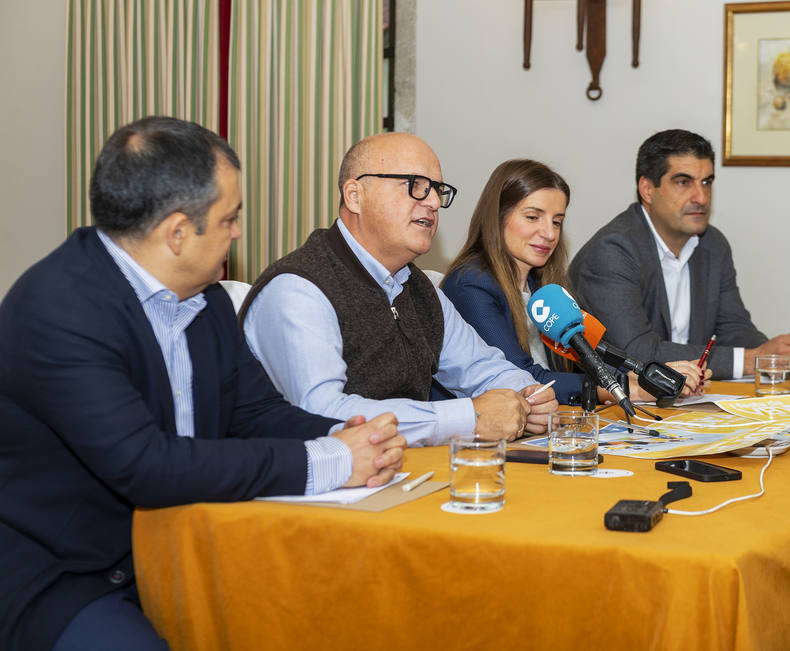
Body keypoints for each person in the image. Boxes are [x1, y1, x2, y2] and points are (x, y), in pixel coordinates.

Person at [0, 116, 405, 651]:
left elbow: (256, 412)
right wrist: (330, 460)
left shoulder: (203, 295)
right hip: (72, 573)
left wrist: (351, 435)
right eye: (230, 218)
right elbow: (148, 467)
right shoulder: (58, 310)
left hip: (194, 541)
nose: (238, 233)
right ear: (176, 232)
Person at [241, 134, 558, 446]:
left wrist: (528, 397)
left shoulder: (417, 287)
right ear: (355, 195)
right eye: (415, 185)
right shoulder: (299, 288)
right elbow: (325, 412)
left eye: (436, 190)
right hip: (304, 488)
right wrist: (467, 417)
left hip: (397, 475)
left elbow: (481, 367)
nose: (433, 202)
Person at [440, 159, 708, 406]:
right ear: (497, 217)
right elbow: (521, 379)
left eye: (557, 222)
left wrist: (651, 374)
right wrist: (625, 389)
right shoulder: (470, 285)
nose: (548, 233)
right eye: (533, 217)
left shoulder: (544, 285)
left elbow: (591, 357)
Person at [569, 129, 790, 379]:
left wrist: (780, 353)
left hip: (688, 402)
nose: (701, 197)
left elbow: (732, 328)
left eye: (707, 182)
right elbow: (634, 352)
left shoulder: (712, 245)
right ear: (647, 190)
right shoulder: (613, 250)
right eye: (683, 182)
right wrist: (752, 360)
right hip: (617, 407)